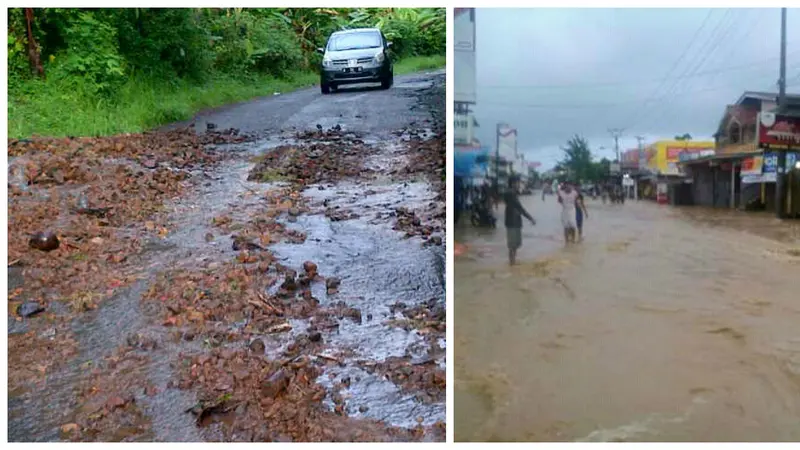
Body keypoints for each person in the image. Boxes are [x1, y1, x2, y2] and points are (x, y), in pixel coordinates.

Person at [504, 175, 536, 265]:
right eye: (518, 182)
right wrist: (530, 218)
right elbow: (520, 208)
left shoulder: (513, 193)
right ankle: (512, 263)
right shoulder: (510, 193)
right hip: (512, 222)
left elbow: (518, 208)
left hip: (516, 221)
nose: (519, 184)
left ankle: (513, 262)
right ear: (513, 183)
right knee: (512, 245)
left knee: (515, 245)